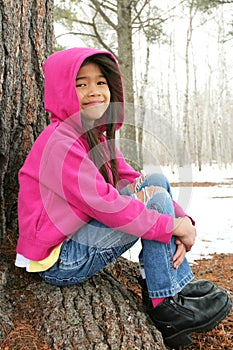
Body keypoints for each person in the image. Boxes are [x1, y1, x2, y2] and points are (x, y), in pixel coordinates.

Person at [15, 47, 232, 349]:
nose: (93, 91)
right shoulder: (59, 142)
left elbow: (130, 180)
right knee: (151, 207)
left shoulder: (95, 136)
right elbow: (107, 205)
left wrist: (183, 221)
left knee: (154, 181)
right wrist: (171, 226)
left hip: (79, 236)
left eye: (101, 82)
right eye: (81, 83)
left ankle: (175, 286)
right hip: (59, 259)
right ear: (62, 91)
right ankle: (166, 303)